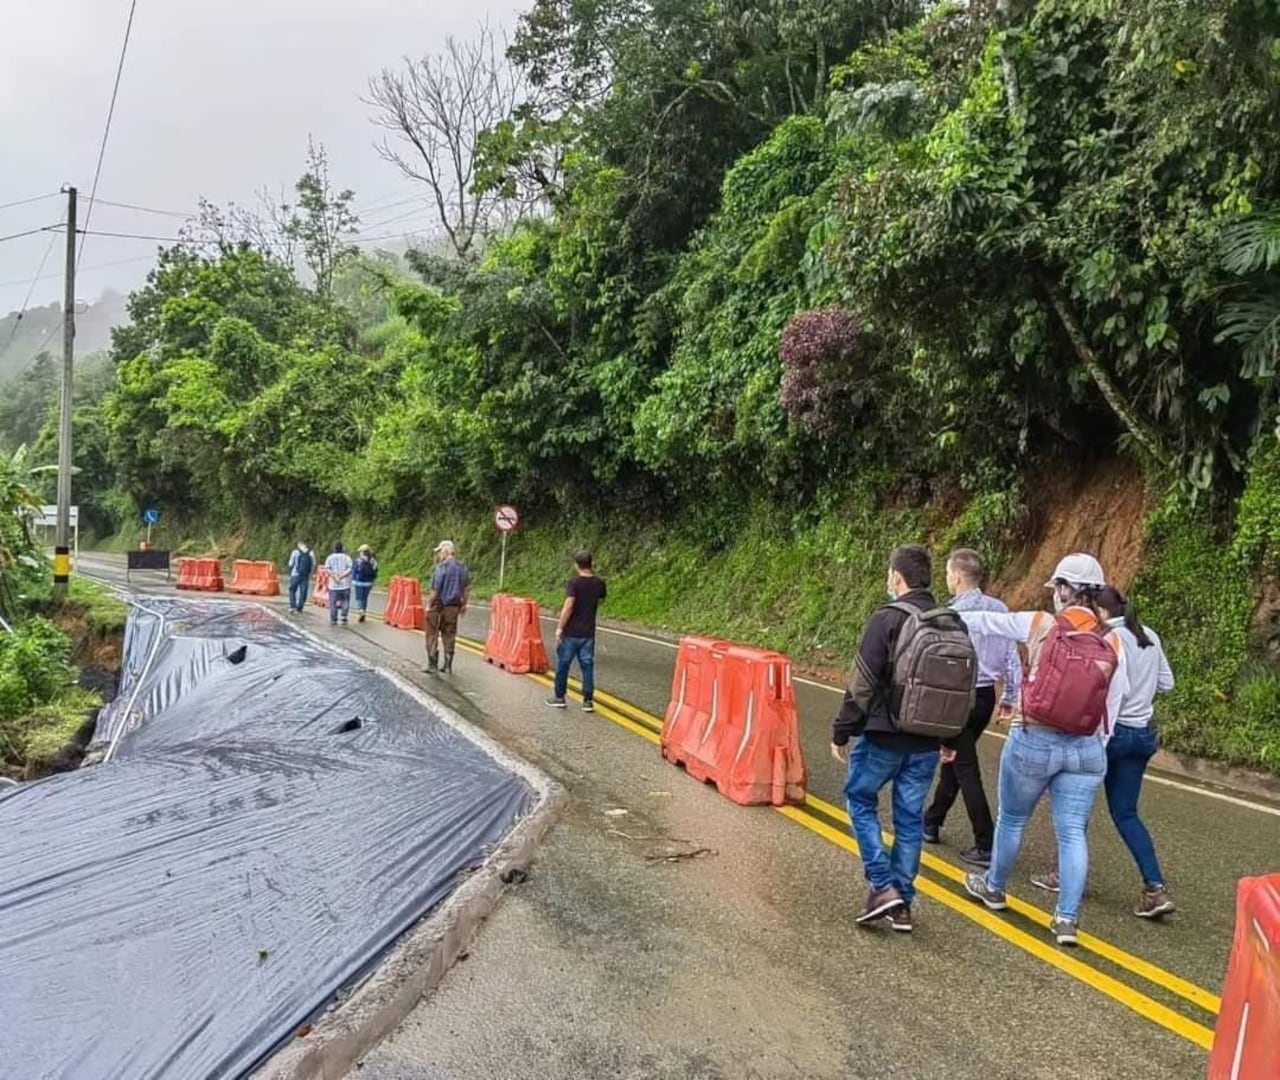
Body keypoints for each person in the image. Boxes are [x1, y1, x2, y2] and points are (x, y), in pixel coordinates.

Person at [958, 553, 1128, 947]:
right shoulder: (1113, 638)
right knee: (1071, 833)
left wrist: (944, 615)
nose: (1054, 595)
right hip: (1086, 748)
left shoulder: (1041, 623)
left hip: (1034, 737)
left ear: (1067, 589)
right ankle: (1066, 920)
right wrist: (1093, 749)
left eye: (1057, 588)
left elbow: (988, 621)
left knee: (1013, 819)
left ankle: (995, 887)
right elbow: (1111, 706)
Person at [830, 544, 967, 934]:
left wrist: (843, 730)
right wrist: (951, 739)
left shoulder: (887, 619)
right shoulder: (953, 623)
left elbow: (863, 683)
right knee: (909, 820)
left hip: (883, 737)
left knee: (860, 800)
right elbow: (961, 691)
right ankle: (902, 905)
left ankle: (882, 885)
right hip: (927, 741)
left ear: (896, 577)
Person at [1029, 586, 1177, 919]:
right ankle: (1155, 887)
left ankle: (1065, 876)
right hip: (1143, 734)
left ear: (1101, 612)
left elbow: (1103, 687)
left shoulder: (1109, 638)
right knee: (1126, 813)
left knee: (1073, 805)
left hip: (1111, 734)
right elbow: (1167, 683)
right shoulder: (1149, 634)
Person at [923, 548, 1022, 868]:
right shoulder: (1000, 609)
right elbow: (1012, 657)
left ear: (957, 576)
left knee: (965, 767)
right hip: (985, 698)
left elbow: (939, 665)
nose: (947, 579)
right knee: (957, 759)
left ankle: (986, 843)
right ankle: (932, 820)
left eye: (949, 574)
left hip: (957, 697)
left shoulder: (949, 615)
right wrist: (1009, 695)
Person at [546, 551, 607, 713]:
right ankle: (587, 701)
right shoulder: (599, 583)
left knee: (563, 664)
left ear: (576, 565)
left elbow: (569, 605)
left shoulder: (574, 583)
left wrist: (560, 627)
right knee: (587, 666)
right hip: (588, 632)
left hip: (571, 632)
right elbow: (600, 600)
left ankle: (559, 697)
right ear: (591, 564)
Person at [425, 540, 469, 674]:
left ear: (445, 551)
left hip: (438, 606)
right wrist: (463, 605)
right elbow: (465, 589)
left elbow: (435, 589)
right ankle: (448, 665)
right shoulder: (462, 567)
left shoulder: (441, 567)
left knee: (432, 634)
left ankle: (432, 664)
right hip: (454, 606)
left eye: (439, 552)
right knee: (449, 634)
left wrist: (429, 604)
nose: (438, 555)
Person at [324, 541, 353, 626]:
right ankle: (344, 616)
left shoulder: (330, 558)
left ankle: (334, 619)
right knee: (345, 601)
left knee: (333, 602)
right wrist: (342, 576)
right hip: (345, 584)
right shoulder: (347, 557)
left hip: (333, 585)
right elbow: (350, 569)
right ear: (342, 548)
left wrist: (334, 576)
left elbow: (327, 569)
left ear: (334, 549)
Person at [352, 545, 379, 623]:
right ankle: (364, 611)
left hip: (359, 582)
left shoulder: (358, 560)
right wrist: (373, 580)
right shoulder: (373, 561)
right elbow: (376, 571)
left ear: (362, 552)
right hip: (368, 583)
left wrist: (353, 579)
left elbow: (354, 570)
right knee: (365, 598)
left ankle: (361, 611)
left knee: (359, 597)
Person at [287, 541, 314, 613]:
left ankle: (293, 606)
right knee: (303, 592)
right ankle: (300, 608)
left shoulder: (295, 552)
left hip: (295, 574)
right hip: (305, 575)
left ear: (299, 545)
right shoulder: (311, 553)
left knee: (292, 590)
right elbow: (313, 564)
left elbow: (290, 564)